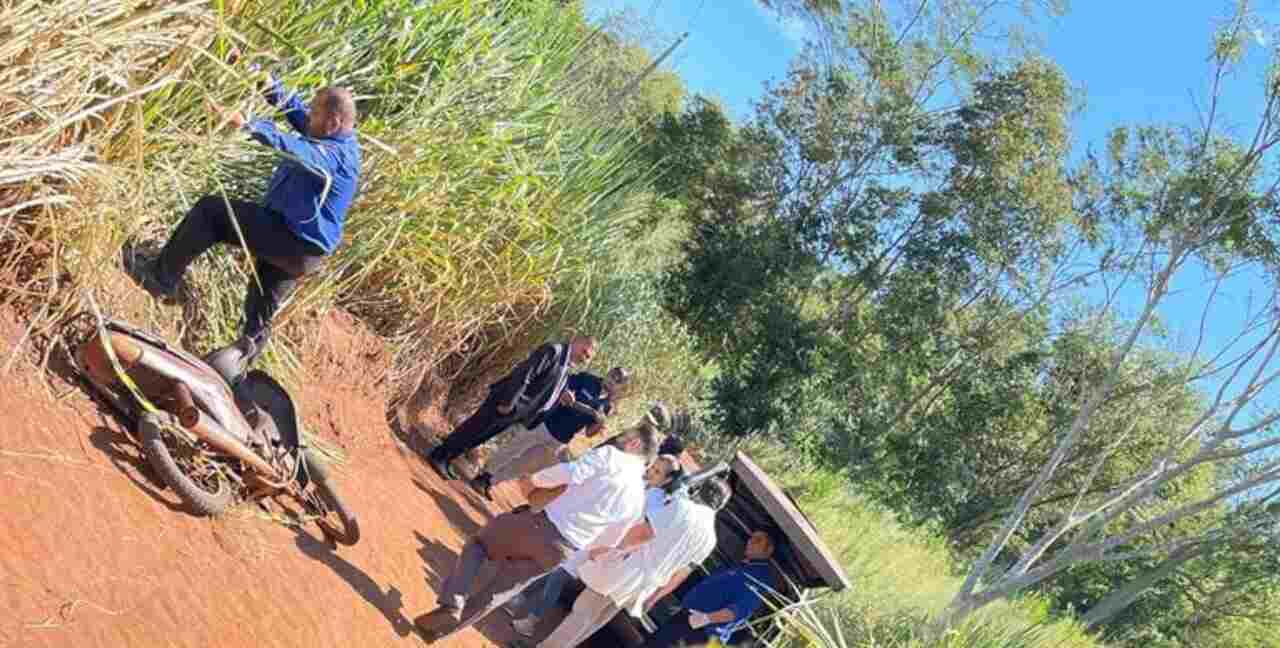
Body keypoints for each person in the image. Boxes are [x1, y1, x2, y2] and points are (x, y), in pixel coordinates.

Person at [125, 62, 360, 372]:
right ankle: (240, 371)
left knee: (211, 212)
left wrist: (248, 125)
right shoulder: (330, 135)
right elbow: (296, 112)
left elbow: (299, 150)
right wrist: (260, 77)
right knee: (261, 305)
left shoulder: (334, 156)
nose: (308, 117)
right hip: (303, 251)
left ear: (332, 122)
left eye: (316, 113)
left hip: (292, 240)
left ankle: (161, 278)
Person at [413, 423, 662, 643]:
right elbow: (609, 542)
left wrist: (537, 480)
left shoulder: (611, 456)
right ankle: (435, 632)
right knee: (497, 593)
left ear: (635, 443)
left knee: (478, 545)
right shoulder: (637, 500)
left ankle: (453, 602)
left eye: (626, 436)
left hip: (541, 524)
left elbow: (570, 473)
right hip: (563, 551)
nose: (621, 439)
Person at [515, 477, 729, 648]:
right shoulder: (710, 539)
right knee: (594, 621)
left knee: (583, 612)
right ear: (720, 505)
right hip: (646, 585)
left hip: (628, 570)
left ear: (700, 490)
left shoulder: (682, 508)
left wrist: (608, 548)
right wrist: (655, 597)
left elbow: (643, 534)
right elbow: (682, 573)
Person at [505, 454, 685, 637]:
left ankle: (531, 619)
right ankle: (520, 603)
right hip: (591, 533)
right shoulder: (637, 481)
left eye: (657, 472)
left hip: (602, 545)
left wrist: (604, 550)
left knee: (559, 575)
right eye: (653, 466)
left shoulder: (655, 503)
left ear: (667, 480)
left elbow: (634, 533)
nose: (651, 472)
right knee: (554, 570)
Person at [427, 335, 596, 481]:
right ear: (575, 342)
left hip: (516, 411)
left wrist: (561, 394)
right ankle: (439, 456)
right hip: (507, 402)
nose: (584, 358)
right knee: (474, 428)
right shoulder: (554, 351)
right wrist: (508, 402)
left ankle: (448, 459)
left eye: (588, 358)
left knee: (480, 436)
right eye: (584, 352)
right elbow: (524, 374)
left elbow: (546, 385)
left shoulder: (566, 366)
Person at [468, 365, 632, 500]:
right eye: (614, 374)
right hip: (546, 423)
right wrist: (586, 409)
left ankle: (492, 482)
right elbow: (563, 392)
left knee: (525, 464)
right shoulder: (586, 379)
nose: (613, 380)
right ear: (609, 371)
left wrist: (600, 422)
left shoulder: (606, 406)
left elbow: (589, 433)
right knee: (514, 448)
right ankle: (483, 475)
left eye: (619, 380)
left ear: (621, 386)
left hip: (560, 440)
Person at [642, 530, 778, 648]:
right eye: (751, 538)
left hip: (701, 631)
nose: (750, 542)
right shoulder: (741, 566)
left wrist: (705, 619)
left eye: (757, 540)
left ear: (769, 549)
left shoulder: (760, 578)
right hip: (688, 619)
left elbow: (738, 611)